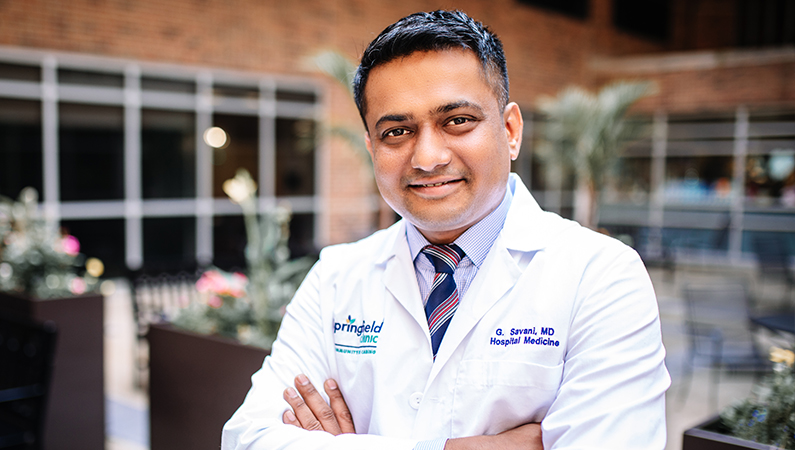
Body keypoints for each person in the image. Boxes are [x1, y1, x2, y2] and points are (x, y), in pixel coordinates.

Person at [222, 10, 670, 450]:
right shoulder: (336, 277)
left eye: (457, 121)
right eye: (397, 131)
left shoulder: (601, 276)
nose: (428, 157)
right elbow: (248, 439)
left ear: (510, 131)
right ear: (371, 148)